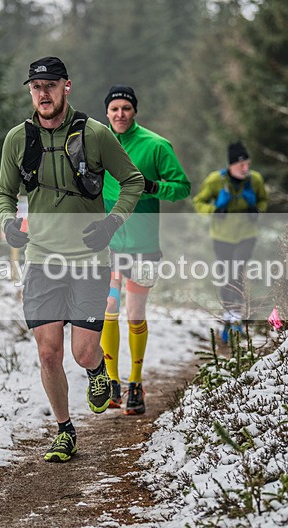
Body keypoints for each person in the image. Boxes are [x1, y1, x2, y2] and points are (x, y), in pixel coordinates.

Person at [0, 57, 144, 463]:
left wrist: (112, 223)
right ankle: (64, 430)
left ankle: (97, 371)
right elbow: (3, 194)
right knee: (47, 353)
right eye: (35, 87)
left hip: (90, 260)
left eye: (50, 85)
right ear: (30, 92)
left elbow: (133, 181)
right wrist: (8, 222)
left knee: (82, 352)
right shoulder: (18, 139)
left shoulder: (95, 134)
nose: (43, 93)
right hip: (41, 258)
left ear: (67, 87)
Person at [99, 85, 190, 415]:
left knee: (134, 314)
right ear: (106, 113)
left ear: (134, 110)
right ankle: (111, 382)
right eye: (114, 109)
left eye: (125, 108)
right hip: (106, 244)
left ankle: (135, 383)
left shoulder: (156, 145)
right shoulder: (97, 143)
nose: (120, 114)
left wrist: (153, 187)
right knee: (109, 308)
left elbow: (182, 188)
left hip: (144, 246)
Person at [193, 141, 267, 341]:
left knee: (236, 269)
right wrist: (214, 211)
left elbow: (263, 200)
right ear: (231, 165)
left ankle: (237, 318)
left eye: (247, 164)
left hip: (246, 234)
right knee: (226, 273)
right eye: (241, 165)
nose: (245, 169)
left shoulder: (255, 180)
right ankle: (229, 319)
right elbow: (199, 202)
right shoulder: (215, 181)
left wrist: (257, 210)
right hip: (222, 236)